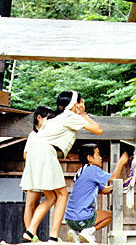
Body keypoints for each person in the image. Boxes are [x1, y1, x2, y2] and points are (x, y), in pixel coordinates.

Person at [20, 90, 103, 243]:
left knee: (52, 196)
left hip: (36, 152)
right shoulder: (70, 116)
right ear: (74, 104)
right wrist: (83, 114)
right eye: (81, 102)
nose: (82, 105)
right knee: (63, 195)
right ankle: (53, 236)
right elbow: (98, 130)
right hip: (46, 152)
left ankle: (30, 231)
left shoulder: (58, 117)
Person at [65, 144, 129, 243]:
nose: (100, 158)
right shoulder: (92, 169)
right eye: (98, 154)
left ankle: (75, 232)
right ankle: (88, 231)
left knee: (91, 216)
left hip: (70, 219)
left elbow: (104, 191)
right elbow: (113, 179)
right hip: (81, 218)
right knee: (111, 215)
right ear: (89, 158)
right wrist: (121, 162)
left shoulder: (81, 171)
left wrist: (125, 183)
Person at [23, 105, 54, 229]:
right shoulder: (34, 135)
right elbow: (25, 155)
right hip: (34, 173)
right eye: (48, 119)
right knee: (30, 204)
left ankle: (32, 232)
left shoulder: (46, 134)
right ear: (39, 118)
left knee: (36, 204)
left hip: (43, 173)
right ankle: (31, 236)